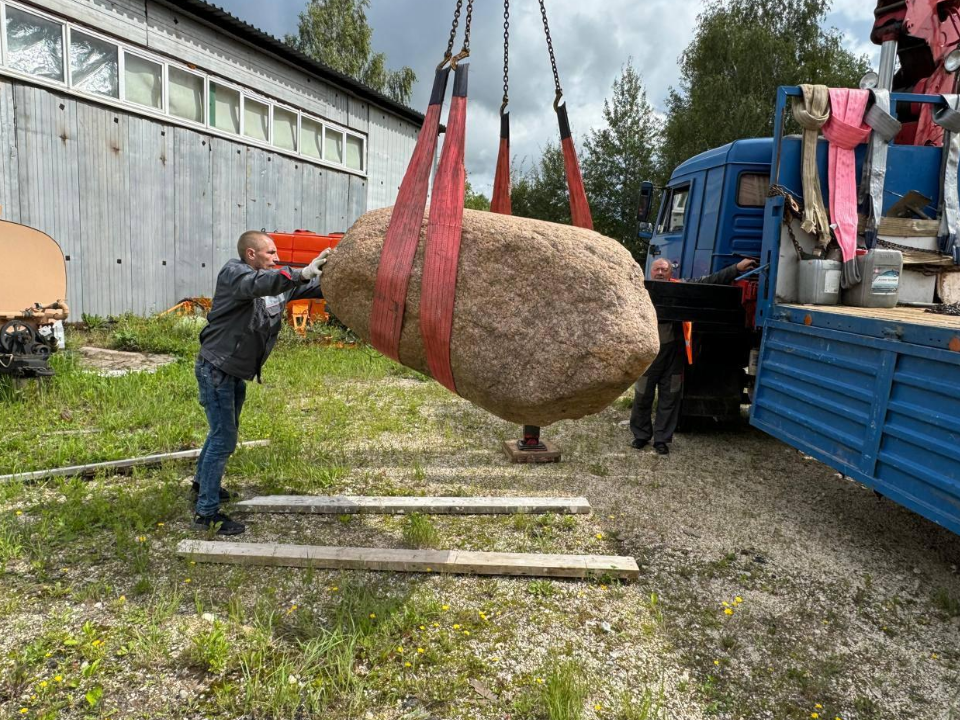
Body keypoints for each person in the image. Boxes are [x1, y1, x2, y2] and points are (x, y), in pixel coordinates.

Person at [192, 230, 330, 535]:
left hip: (233, 370)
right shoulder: (234, 274)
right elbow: (258, 284)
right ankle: (206, 512)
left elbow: (311, 287)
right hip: (216, 368)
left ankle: (201, 485)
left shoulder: (277, 285)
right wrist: (300, 270)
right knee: (224, 439)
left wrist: (337, 278)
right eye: (270, 253)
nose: (277, 258)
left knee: (220, 433)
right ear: (251, 254)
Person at [630, 257, 757, 456]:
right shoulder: (641, 291)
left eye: (664, 269)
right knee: (642, 395)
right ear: (650, 272)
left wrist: (736, 268)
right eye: (657, 270)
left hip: (674, 356)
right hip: (649, 355)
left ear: (671, 273)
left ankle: (662, 440)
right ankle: (641, 435)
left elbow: (711, 280)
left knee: (670, 398)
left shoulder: (682, 288)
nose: (661, 273)